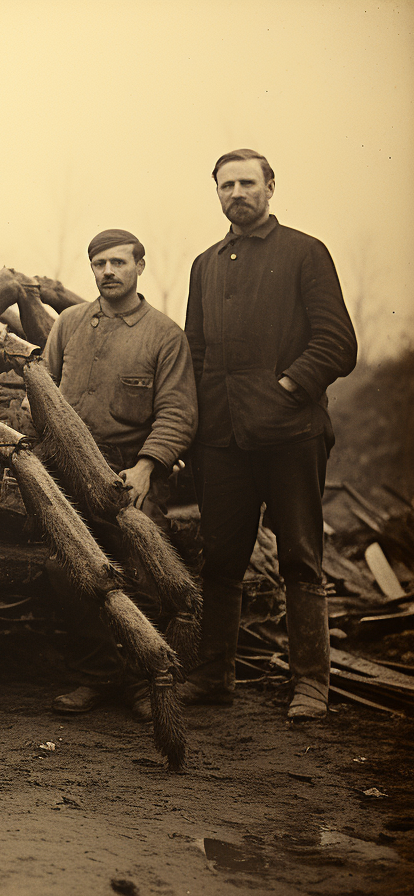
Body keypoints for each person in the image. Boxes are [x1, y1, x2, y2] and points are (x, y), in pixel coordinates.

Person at [183, 149, 357, 720]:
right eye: (226, 184)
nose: (237, 193)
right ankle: (213, 678)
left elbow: (336, 343)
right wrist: (204, 421)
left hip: (291, 434)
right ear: (216, 192)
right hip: (223, 440)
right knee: (220, 558)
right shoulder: (205, 264)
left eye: (248, 183)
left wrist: (285, 388)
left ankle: (311, 684)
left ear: (271, 187)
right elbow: (198, 352)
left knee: (301, 558)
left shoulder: (305, 252)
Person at [43, 229, 198, 721]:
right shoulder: (69, 324)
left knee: (144, 568)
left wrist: (147, 468)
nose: (107, 272)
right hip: (67, 468)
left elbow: (178, 412)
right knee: (63, 569)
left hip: (130, 470)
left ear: (139, 267)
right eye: (98, 264)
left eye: (118, 263)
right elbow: (43, 392)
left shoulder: (164, 335)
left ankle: (141, 682)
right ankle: (96, 676)